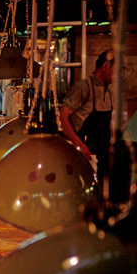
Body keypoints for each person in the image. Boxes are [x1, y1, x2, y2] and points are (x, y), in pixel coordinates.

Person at [60, 49, 115, 188]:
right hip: (83, 158)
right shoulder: (83, 88)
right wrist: (80, 145)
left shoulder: (110, 92)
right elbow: (63, 117)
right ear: (105, 66)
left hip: (103, 158)